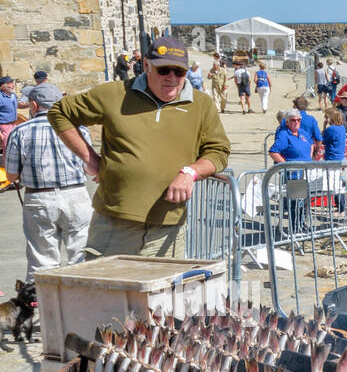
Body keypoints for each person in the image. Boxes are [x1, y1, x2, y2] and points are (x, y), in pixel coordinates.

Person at [46, 35, 231, 259]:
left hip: (167, 228)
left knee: (162, 293)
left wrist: (190, 173)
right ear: (146, 65)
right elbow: (60, 113)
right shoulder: (114, 94)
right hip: (114, 225)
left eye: (179, 72)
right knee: (108, 292)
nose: (172, 78)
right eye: (164, 70)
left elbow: (218, 151)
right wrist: (90, 159)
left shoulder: (201, 105)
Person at [3, 84, 93, 276]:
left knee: (42, 260)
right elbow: (90, 167)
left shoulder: (20, 132)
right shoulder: (79, 130)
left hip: (39, 198)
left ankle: (45, 304)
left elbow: (11, 176)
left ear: (33, 105)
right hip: (76, 194)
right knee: (82, 256)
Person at [0, 76, 21, 151]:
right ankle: (5, 163)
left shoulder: (13, 95)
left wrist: (30, 104)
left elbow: (18, 105)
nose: (12, 85)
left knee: (15, 148)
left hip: (14, 125)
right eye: (9, 83)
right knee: (8, 149)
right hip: (4, 127)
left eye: (12, 83)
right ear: (2, 86)